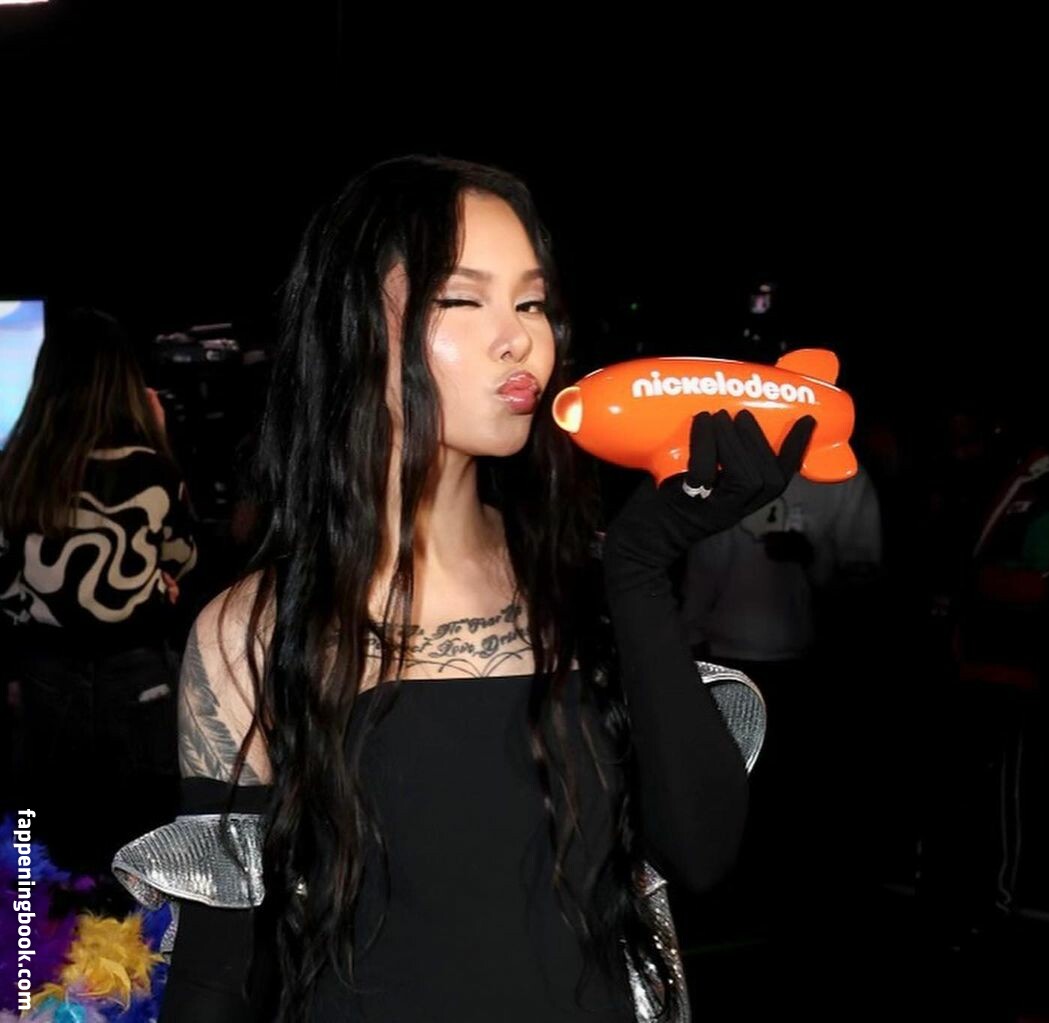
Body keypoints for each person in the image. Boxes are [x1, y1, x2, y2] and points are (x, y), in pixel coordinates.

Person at [114, 156, 815, 1022]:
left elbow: (700, 854)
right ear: (355, 328)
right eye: (463, 299)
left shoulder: (586, 587)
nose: (519, 338)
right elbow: (215, 976)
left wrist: (639, 568)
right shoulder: (254, 629)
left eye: (532, 302)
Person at [0, 307, 198, 875]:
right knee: (142, 841)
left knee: (51, 837)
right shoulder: (153, 470)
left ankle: (38, 930)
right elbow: (184, 560)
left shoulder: (19, 470)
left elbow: (7, 586)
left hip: (45, 673)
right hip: (136, 674)